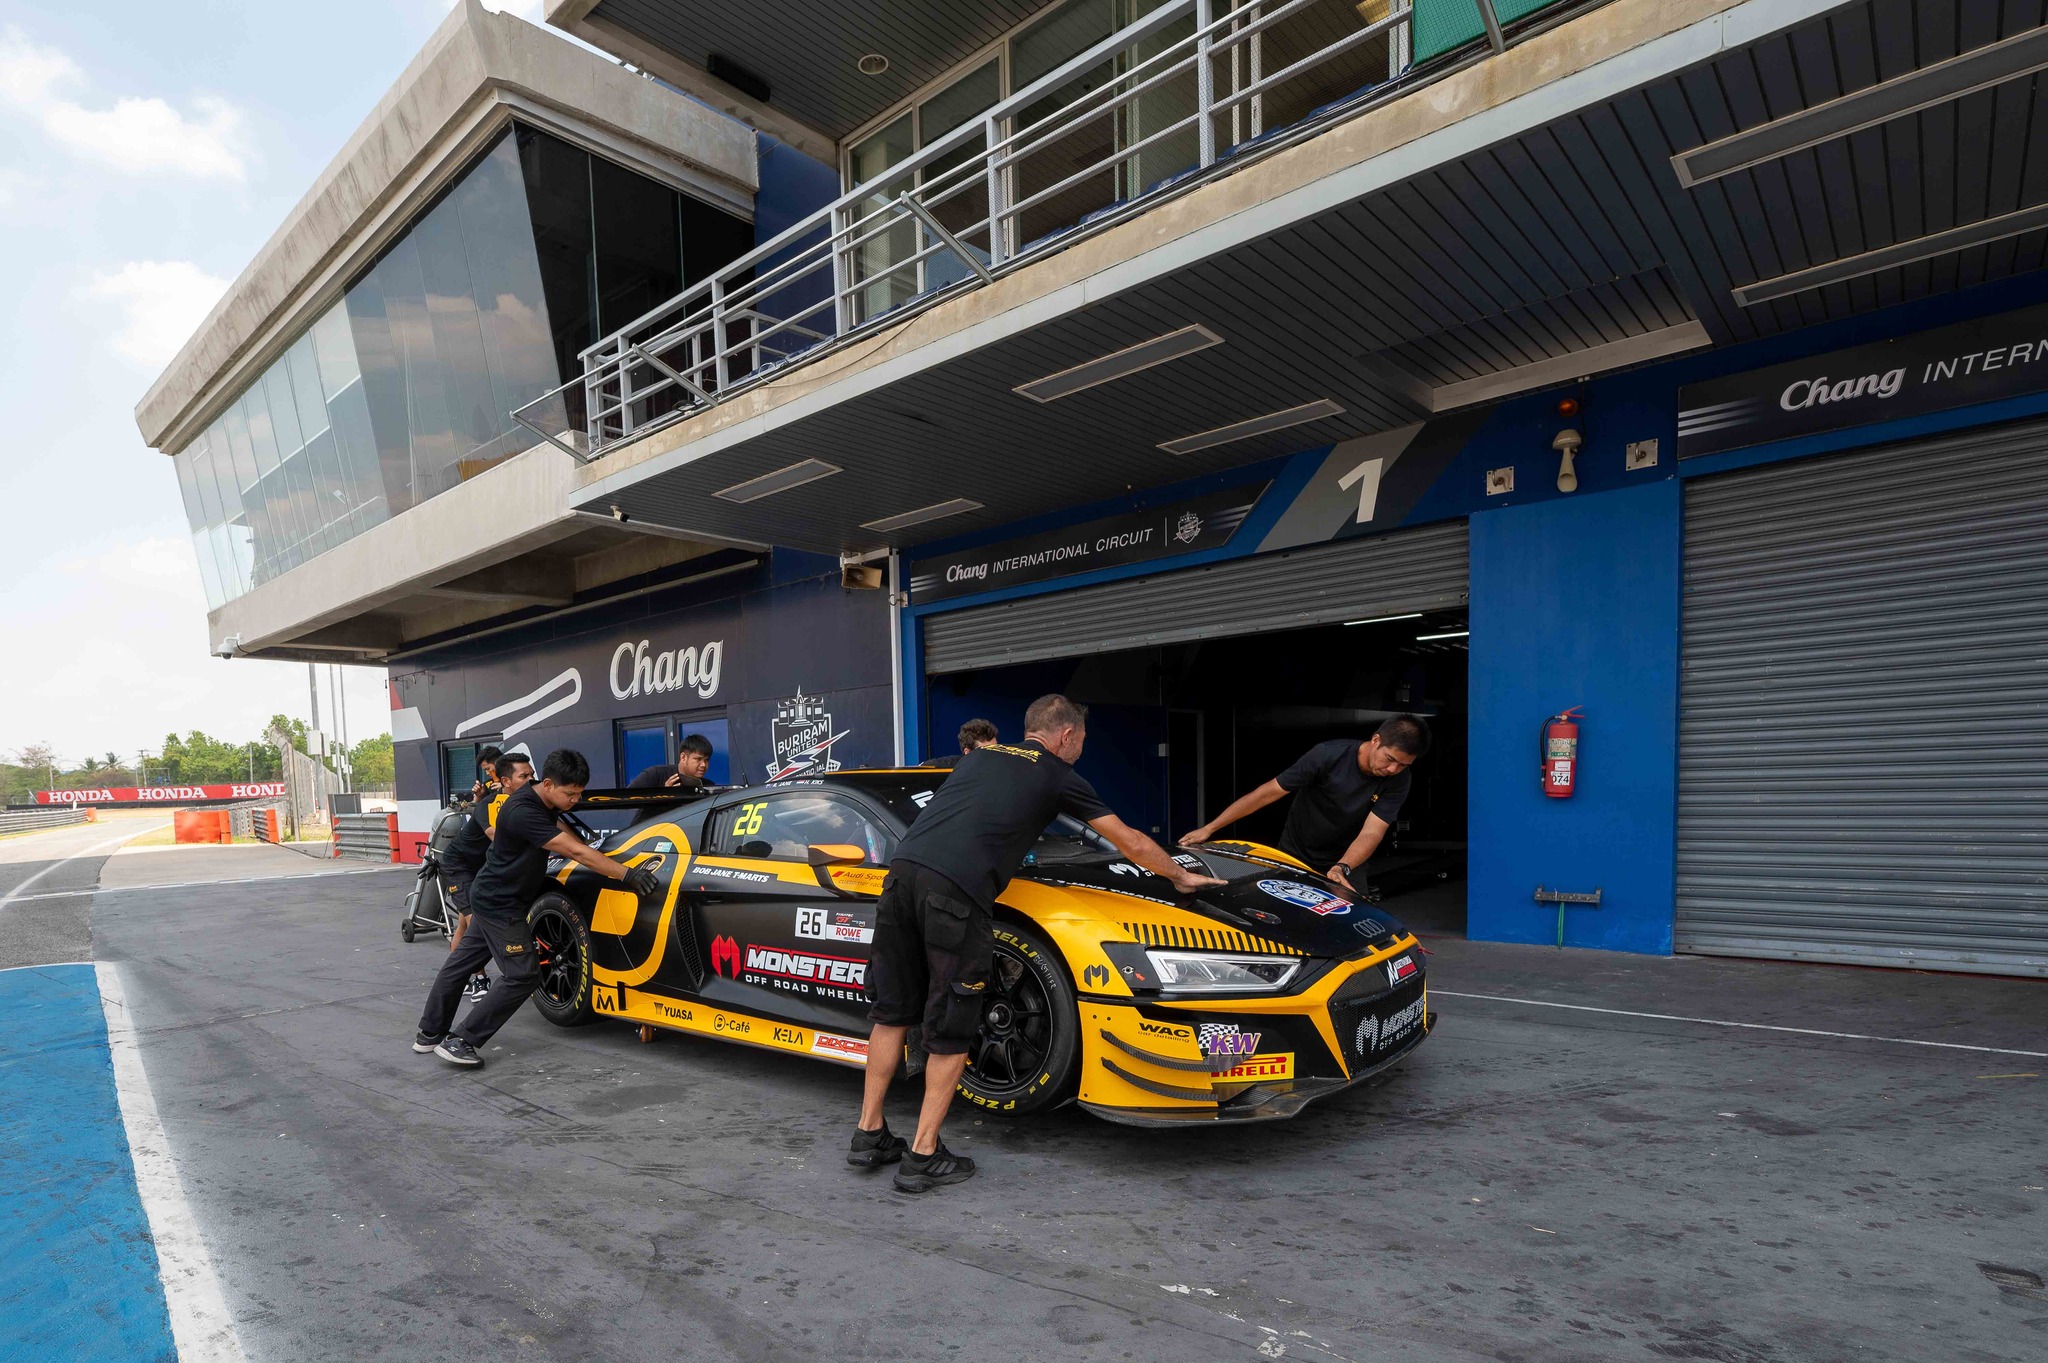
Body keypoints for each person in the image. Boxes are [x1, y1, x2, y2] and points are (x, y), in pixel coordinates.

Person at [853, 694, 1225, 1192]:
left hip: (900, 878)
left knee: (892, 1013)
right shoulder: (1056, 774)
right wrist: (1179, 875)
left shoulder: (980, 757)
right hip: (954, 894)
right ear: (1066, 735)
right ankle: (922, 1154)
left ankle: (869, 1133)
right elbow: (1131, 841)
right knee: (952, 1027)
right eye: (1082, 740)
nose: (1081, 749)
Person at [413, 748, 660, 1069]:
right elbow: (573, 851)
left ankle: (429, 1033)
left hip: (491, 896)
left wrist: (593, 846)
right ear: (548, 784)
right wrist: (627, 874)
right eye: (570, 794)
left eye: (579, 793)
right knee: (524, 974)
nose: (575, 800)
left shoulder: (540, 800)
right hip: (501, 904)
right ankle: (462, 1040)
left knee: (460, 965)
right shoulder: (522, 811)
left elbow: (566, 832)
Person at [1183, 715, 1431, 893]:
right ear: (1376, 740)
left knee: (1354, 919)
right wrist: (1210, 828)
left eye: (1403, 765)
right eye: (1390, 759)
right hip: (1296, 852)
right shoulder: (1327, 755)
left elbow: (1372, 832)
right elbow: (1266, 793)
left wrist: (1342, 867)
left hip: (1347, 859)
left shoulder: (1400, 779)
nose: (1393, 769)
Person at [441, 751, 532, 1000]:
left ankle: (457, 979)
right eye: (487, 771)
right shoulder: (488, 803)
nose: (529, 782)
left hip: (480, 866)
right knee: (476, 923)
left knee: (463, 924)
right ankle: (480, 979)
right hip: (459, 865)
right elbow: (498, 838)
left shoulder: (519, 803)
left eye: (530, 775)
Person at [627, 732, 716, 790]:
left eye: (706, 760)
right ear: (683, 758)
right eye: (698, 759)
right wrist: (665, 794)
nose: (703, 765)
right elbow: (626, 798)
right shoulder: (656, 774)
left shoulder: (709, 787)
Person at [920, 719, 998, 769]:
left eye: (996, 748)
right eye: (985, 752)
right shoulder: (950, 767)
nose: (993, 755)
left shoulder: (1002, 766)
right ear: (968, 752)